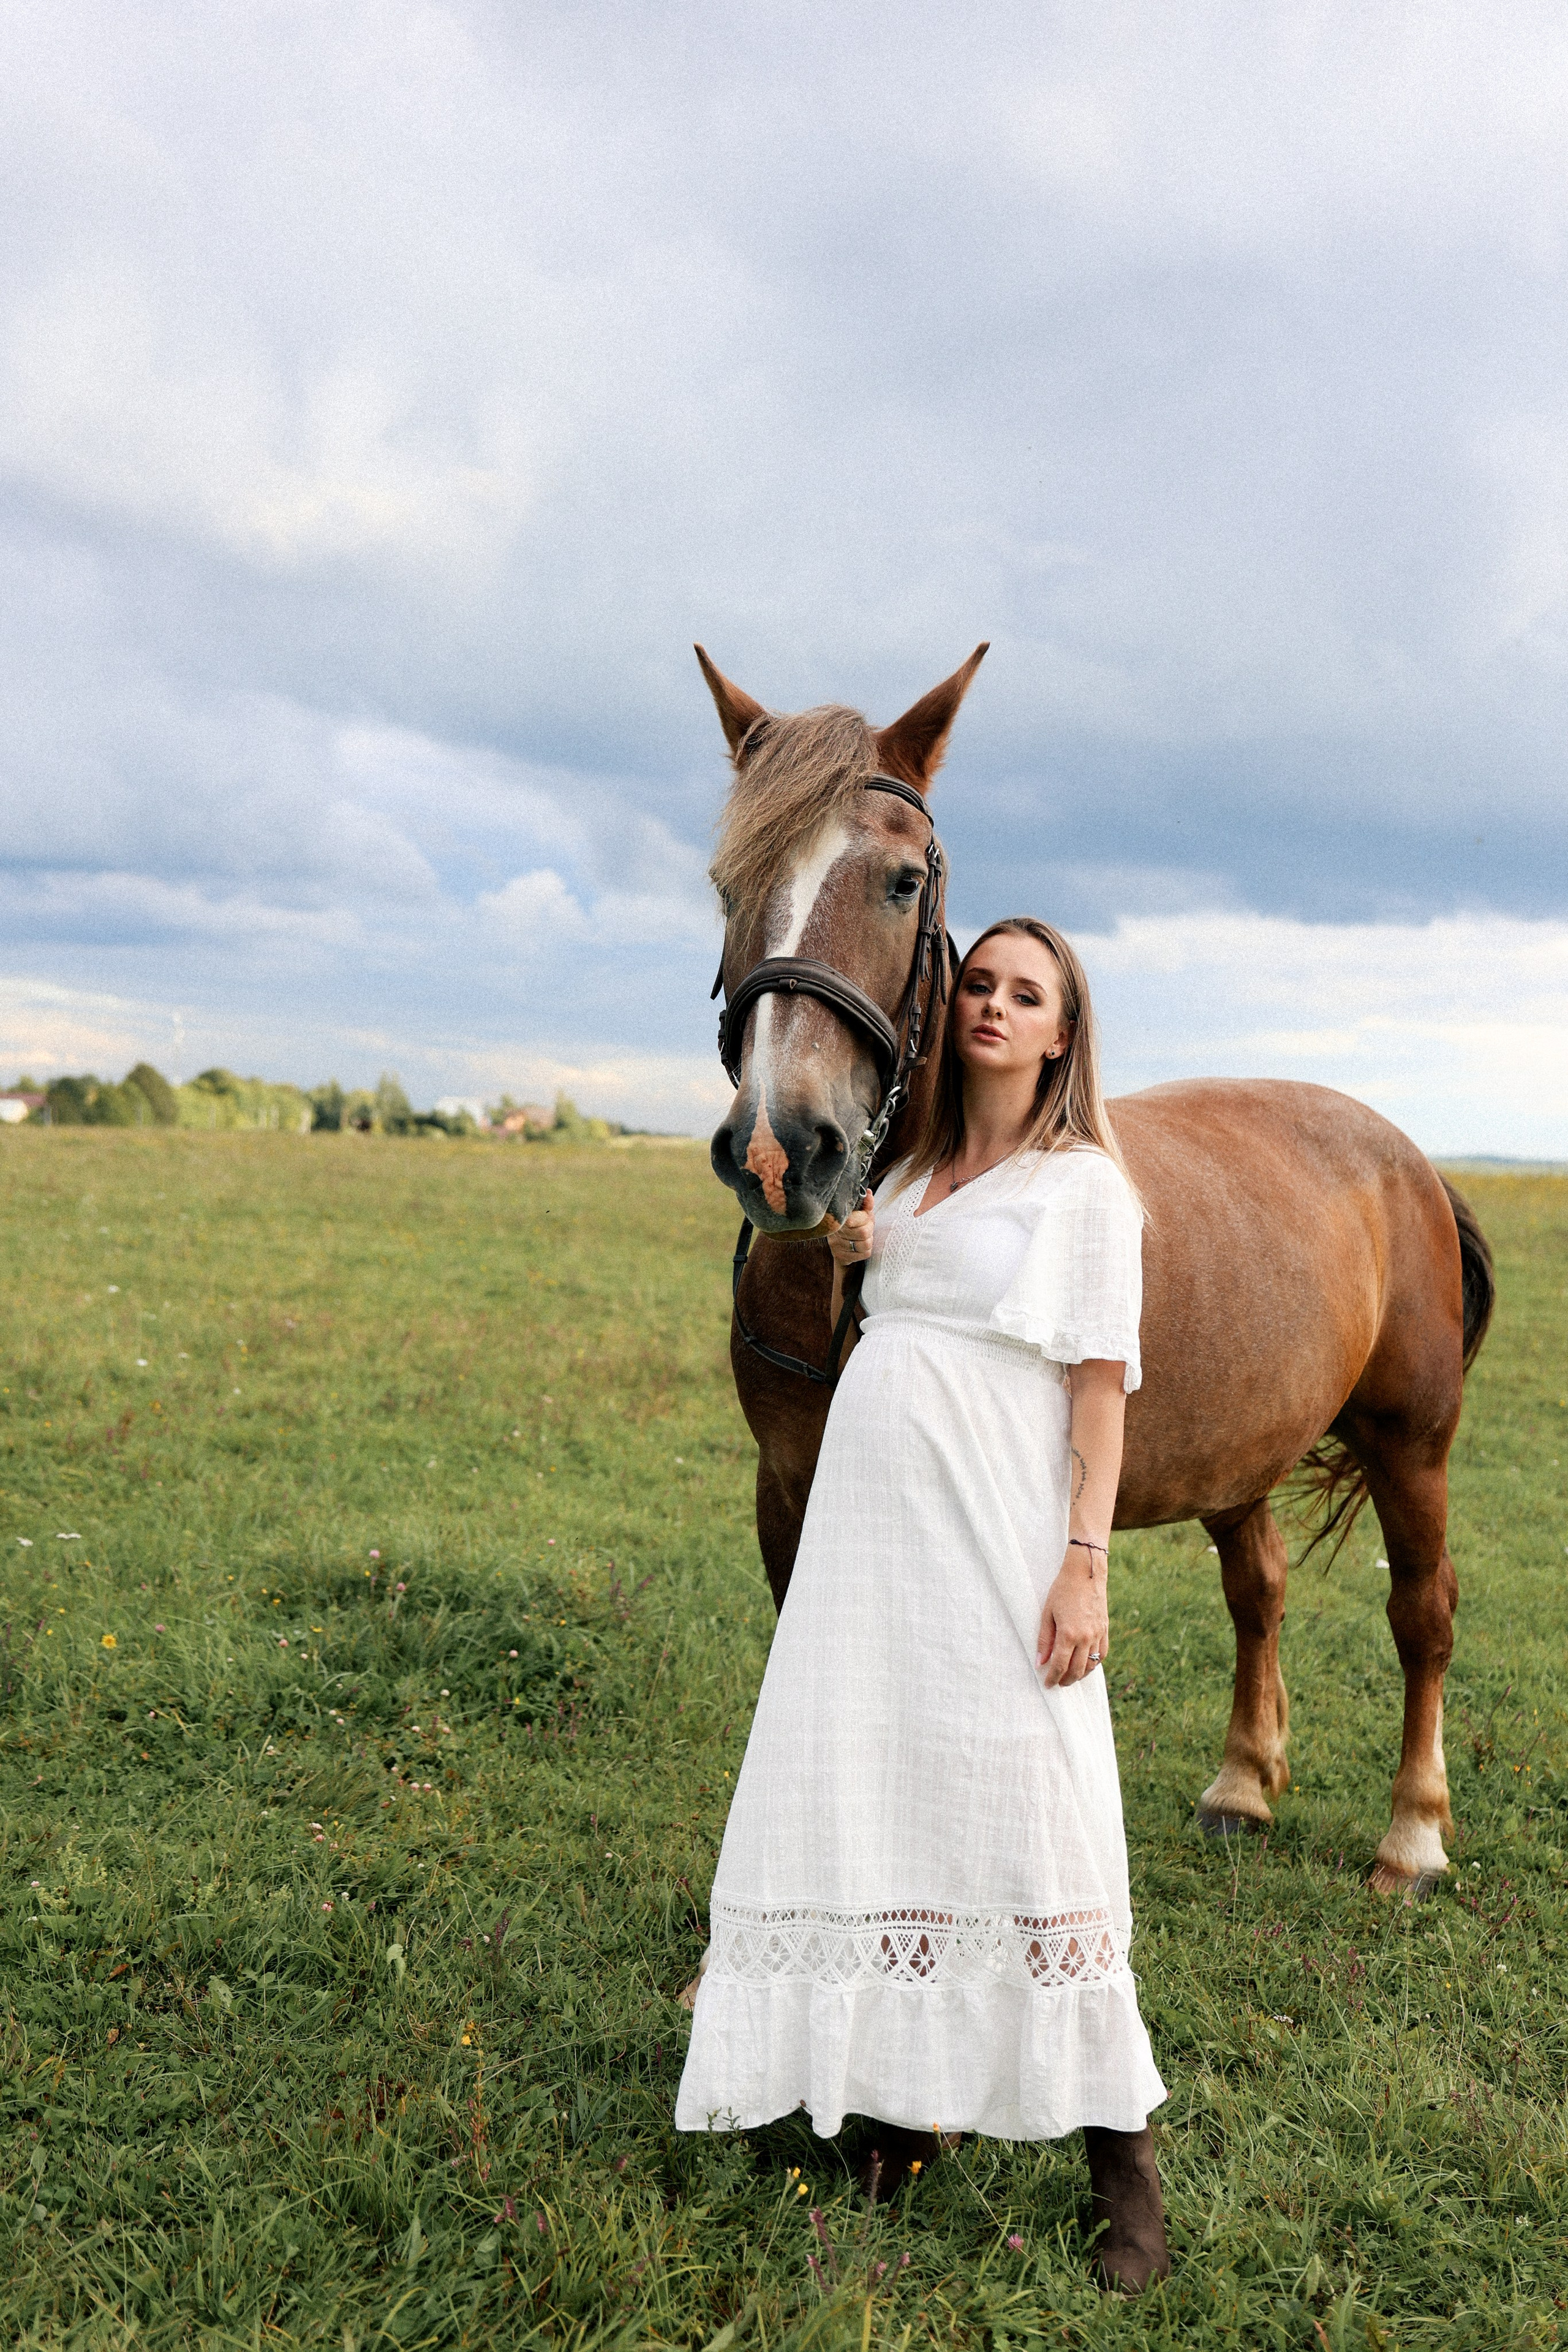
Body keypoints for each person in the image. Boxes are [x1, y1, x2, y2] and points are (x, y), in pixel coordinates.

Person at [676, 917, 1170, 2294]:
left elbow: (1094, 1387)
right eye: (977, 987)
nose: (993, 1008)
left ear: (1063, 1033)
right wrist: (855, 1248)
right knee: (879, 1785)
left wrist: (1084, 1559)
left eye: (1026, 995)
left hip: (996, 1528)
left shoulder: (1082, 1191)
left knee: (1037, 1798)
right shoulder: (908, 1166)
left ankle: (1120, 2165)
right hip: (869, 1545)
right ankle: (896, 2104)